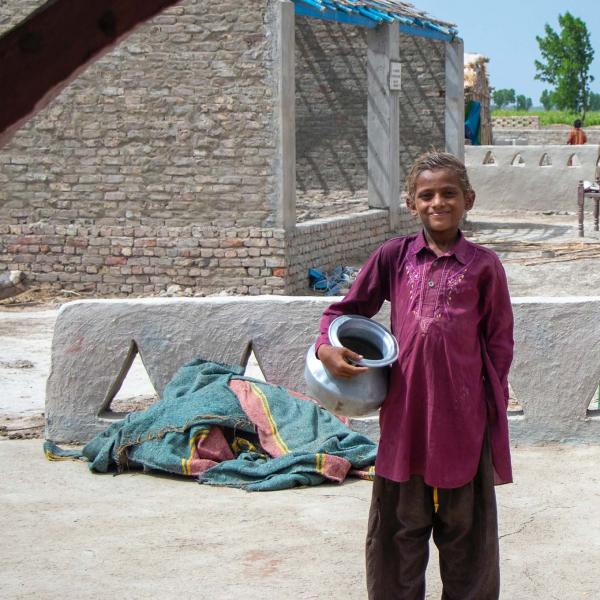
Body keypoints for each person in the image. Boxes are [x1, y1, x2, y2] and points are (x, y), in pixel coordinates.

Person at [314, 151, 514, 600]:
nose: (437, 203)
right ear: (411, 203)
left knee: (467, 534)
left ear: (469, 200)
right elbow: (342, 311)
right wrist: (326, 347)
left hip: (463, 422)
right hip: (405, 419)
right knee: (399, 531)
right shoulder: (394, 257)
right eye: (426, 195)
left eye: (449, 193)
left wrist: (485, 408)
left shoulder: (484, 267)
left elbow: (500, 345)